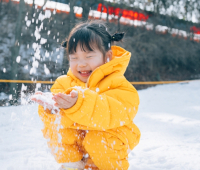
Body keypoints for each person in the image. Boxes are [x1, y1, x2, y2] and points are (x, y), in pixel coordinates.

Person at [31, 20, 140, 170]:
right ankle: (73, 165)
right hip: (80, 143)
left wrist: (78, 104)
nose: (81, 64)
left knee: (96, 140)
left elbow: (115, 112)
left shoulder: (118, 83)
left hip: (111, 137)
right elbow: (54, 122)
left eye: (88, 56)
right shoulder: (64, 83)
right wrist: (51, 109)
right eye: (74, 58)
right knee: (57, 130)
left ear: (107, 56)